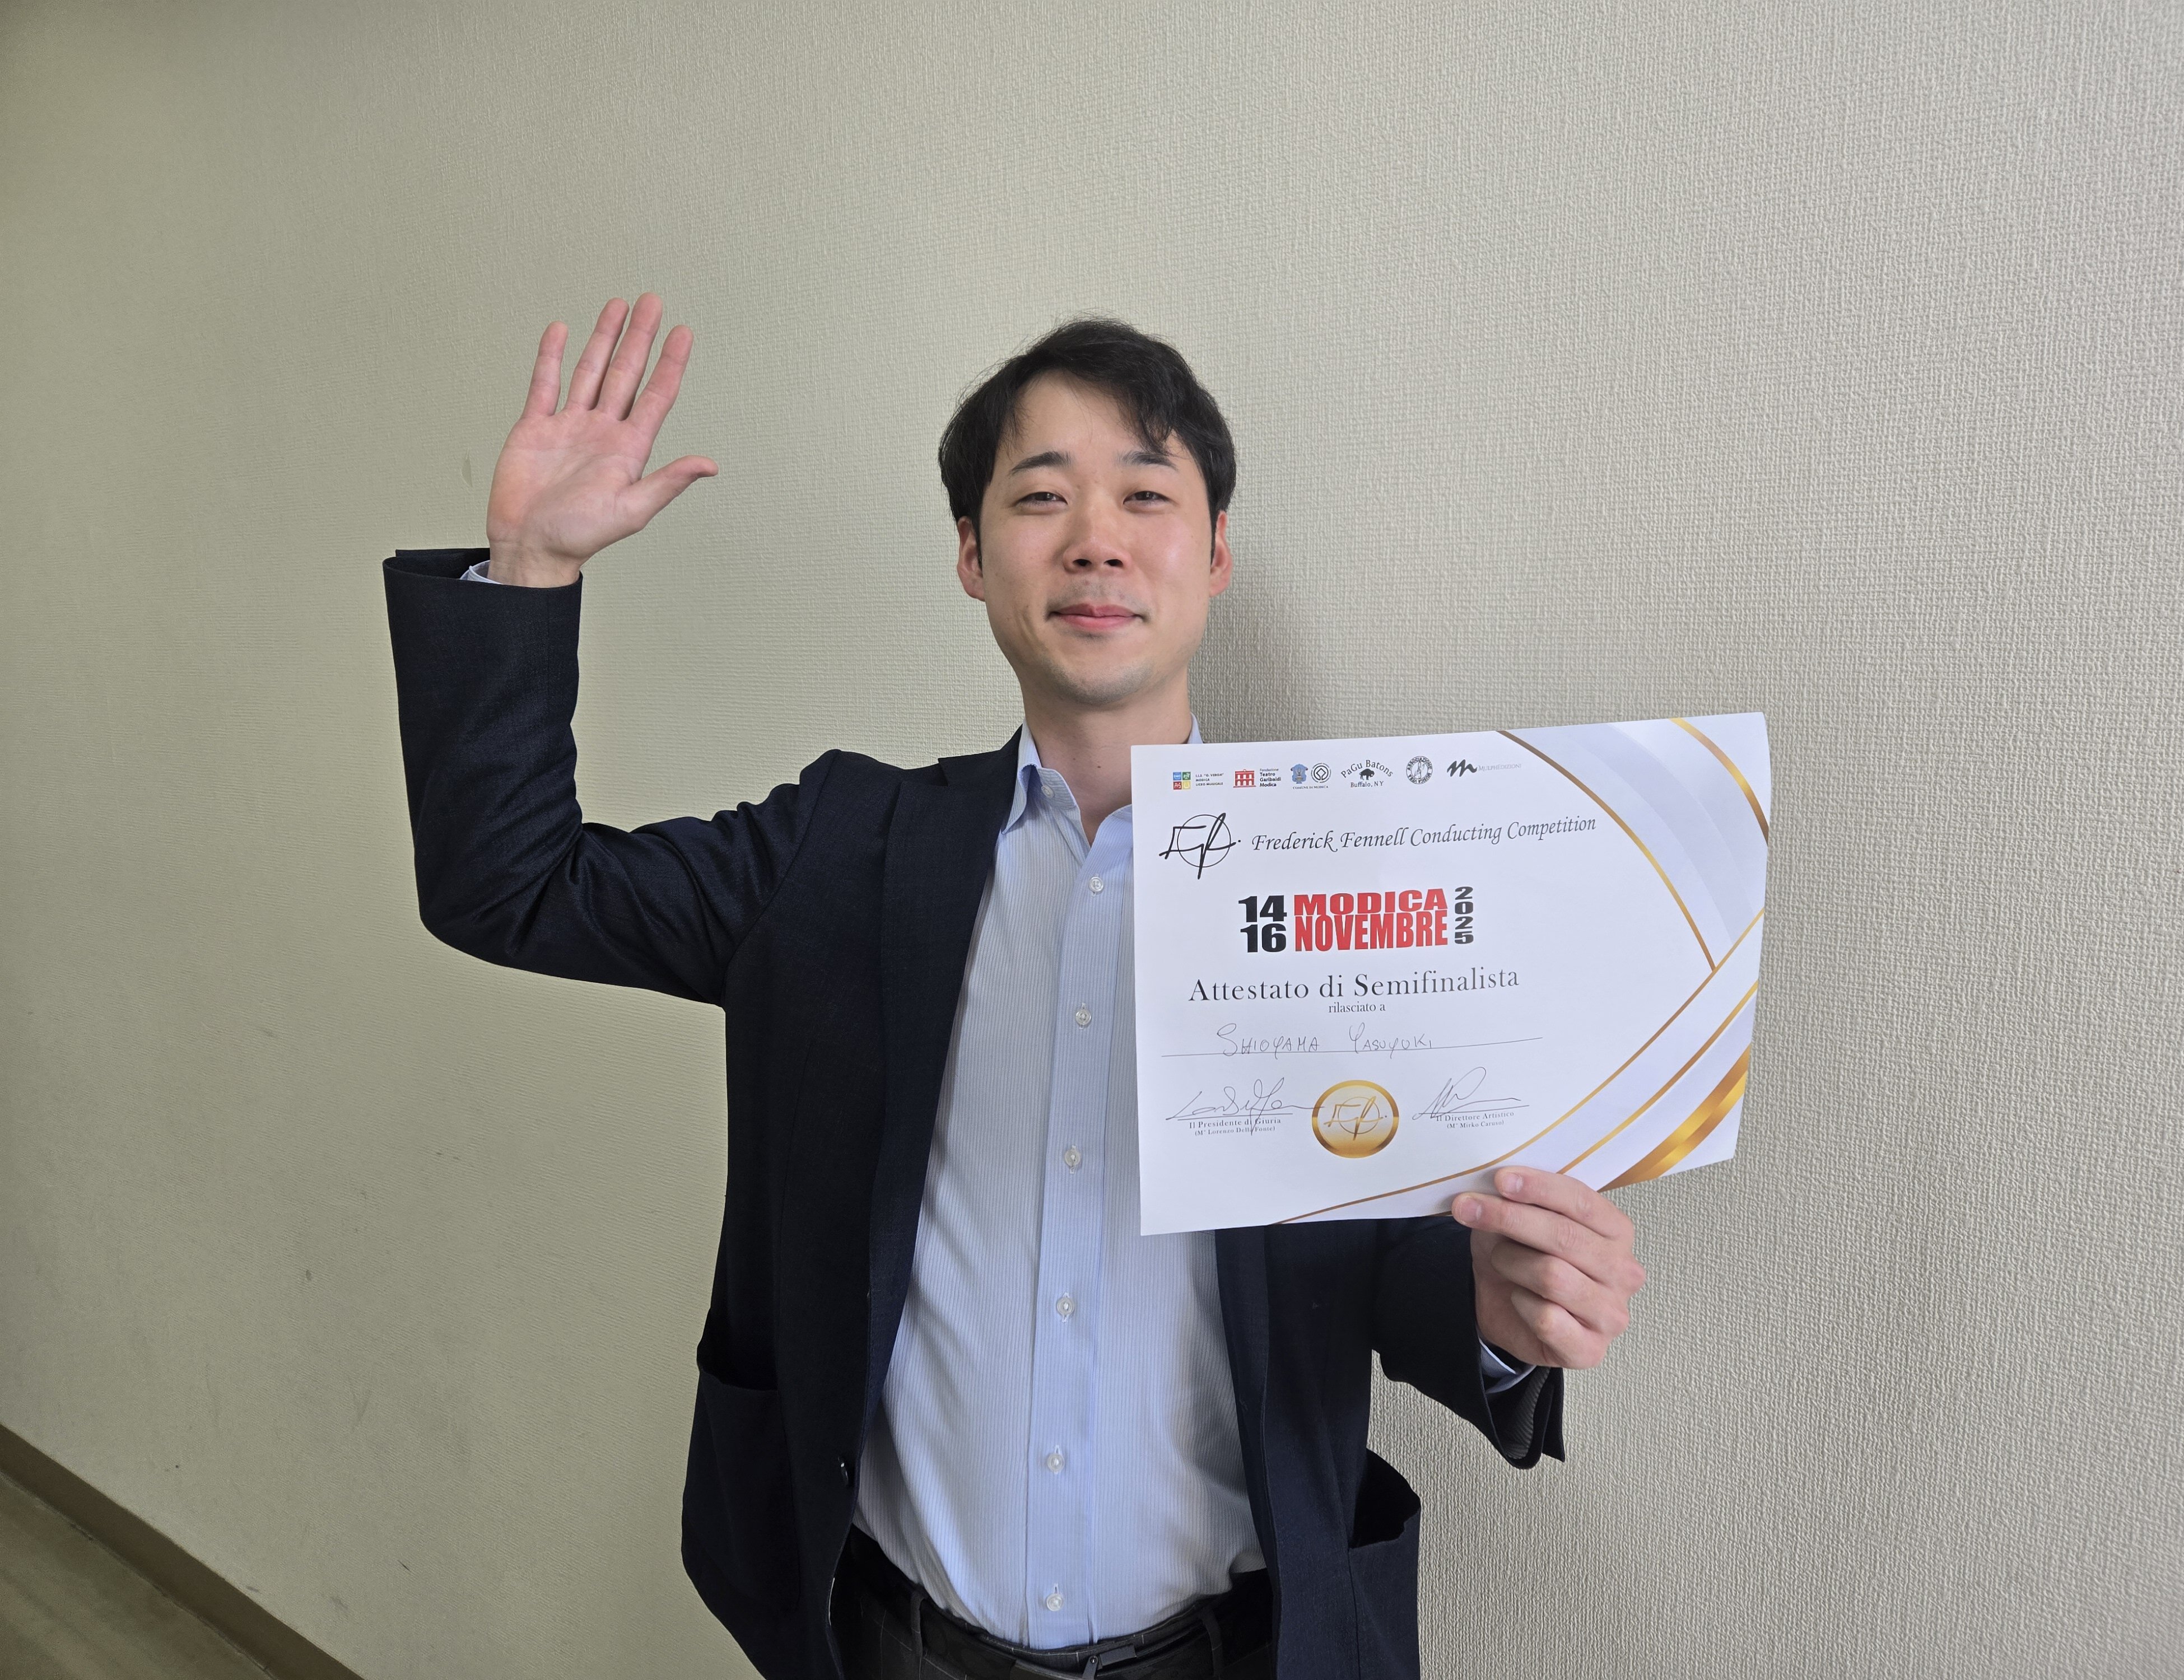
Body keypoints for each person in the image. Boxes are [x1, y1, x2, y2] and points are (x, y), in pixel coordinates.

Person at [381, 295, 1648, 1680]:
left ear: (1215, 553)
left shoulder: (1346, 887)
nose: (1094, 538)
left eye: (1145, 495)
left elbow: (1389, 1248)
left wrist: (1499, 1312)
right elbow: (511, 885)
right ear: (973, 558)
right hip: (890, 1642)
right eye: (1040, 497)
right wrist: (530, 565)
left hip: (1241, 1652)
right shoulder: (836, 853)